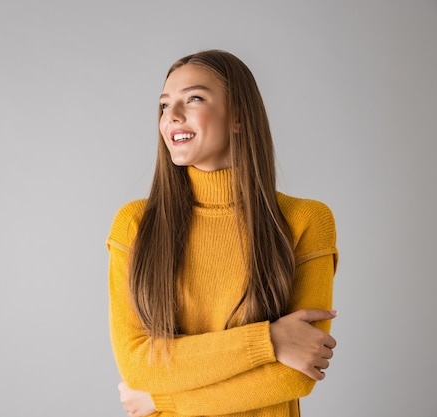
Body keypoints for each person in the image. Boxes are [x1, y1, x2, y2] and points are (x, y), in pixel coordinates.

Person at [106, 49, 338, 417]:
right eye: (165, 105)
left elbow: (294, 377)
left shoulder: (305, 220)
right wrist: (269, 340)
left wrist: (163, 400)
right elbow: (137, 364)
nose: (172, 116)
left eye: (194, 98)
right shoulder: (135, 225)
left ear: (239, 117)